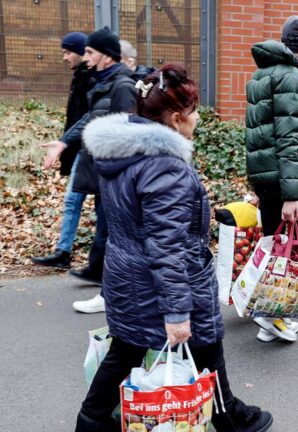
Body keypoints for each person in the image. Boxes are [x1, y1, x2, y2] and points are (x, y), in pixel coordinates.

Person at [74, 64, 273, 432]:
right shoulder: (165, 167)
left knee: (128, 348)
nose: (198, 118)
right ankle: (228, 415)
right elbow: (168, 245)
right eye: (195, 111)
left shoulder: (123, 153)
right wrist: (177, 313)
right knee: (203, 343)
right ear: (178, 118)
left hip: (128, 273)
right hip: (162, 279)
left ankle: (91, 420)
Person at [40, 27, 137, 313]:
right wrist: (63, 142)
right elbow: (89, 120)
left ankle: (111, 295)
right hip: (104, 173)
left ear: (106, 56)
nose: (86, 56)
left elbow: (129, 134)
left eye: (91, 52)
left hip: (115, 174)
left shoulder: (122, 86)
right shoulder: (104, 83)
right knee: (107, 232)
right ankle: (109, 290)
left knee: (113, 235)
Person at [245, 16, 298, 341]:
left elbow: (256, 136)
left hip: (267, 176)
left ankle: (272, 319)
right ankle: (274, 313)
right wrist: (292, 194)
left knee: (277, 243)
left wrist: (258, 185)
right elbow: (288, 139)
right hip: (286, 180)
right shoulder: (291, 77)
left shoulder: (261, 74)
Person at [31, 32, 93, 269]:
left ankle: (65, 252)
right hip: (79, 148)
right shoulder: (80, 77)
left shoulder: (90, 79)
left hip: (88, 150)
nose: (65, 57)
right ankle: (64, 251)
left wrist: (66, 143)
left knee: (75, 201)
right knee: (75, 202)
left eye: (68, 52)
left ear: (81, 52)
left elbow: (88, 117)